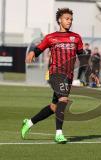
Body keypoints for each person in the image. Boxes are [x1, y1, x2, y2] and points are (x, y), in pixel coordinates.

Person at [22, 8, 83, 144]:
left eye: (71, 19)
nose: (69, 21)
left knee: (54, 107)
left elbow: (82, 56)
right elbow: (39, 48)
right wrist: (32, 52)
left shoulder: (76, 37)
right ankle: (59, 134)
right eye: (67, 18)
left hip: (68, 75)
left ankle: (29, 122)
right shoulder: (51, 37)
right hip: (55, 73)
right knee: (63, 99)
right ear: (59, 20)